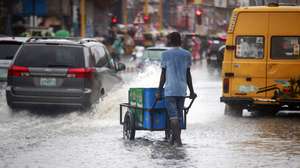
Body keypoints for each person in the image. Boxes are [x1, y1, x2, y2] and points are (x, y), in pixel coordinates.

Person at [156, 32, 197, 146]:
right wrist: (192, 91)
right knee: (179, 116)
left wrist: (159, 91)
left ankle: (178, 141)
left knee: (173, 116)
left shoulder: (165, 54)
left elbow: (163, 75)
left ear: (170, 41)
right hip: (182, 90)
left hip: (170, 90)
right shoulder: (187, 54)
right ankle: (173, 140)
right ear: (180, 41)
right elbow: (188, 75)